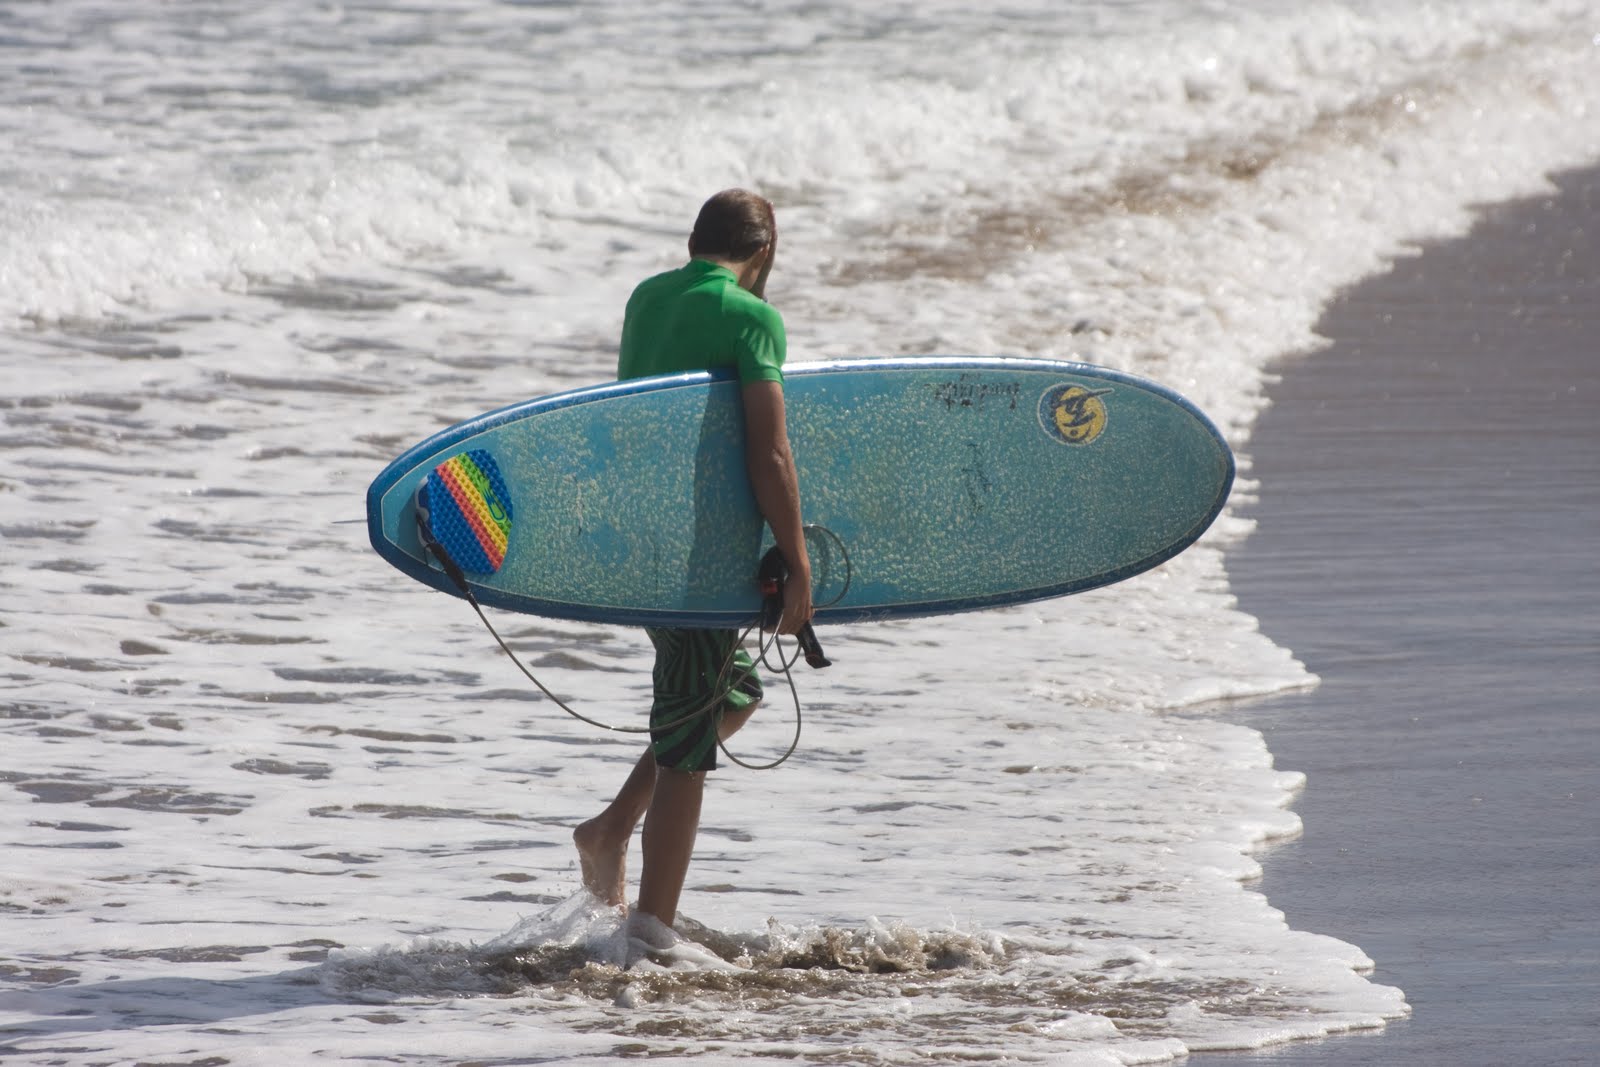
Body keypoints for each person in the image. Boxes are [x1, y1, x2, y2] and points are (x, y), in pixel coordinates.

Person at [572, 189, 813, 932]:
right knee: (687, 751)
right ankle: (652, 933)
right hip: (697, 557)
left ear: (692, 243)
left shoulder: (647, 298)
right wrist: (798, 561)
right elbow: (770, 453)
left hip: (636, 533)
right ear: (765, 250)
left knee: (729, 696)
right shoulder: (752, 317)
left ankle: (612, 824)